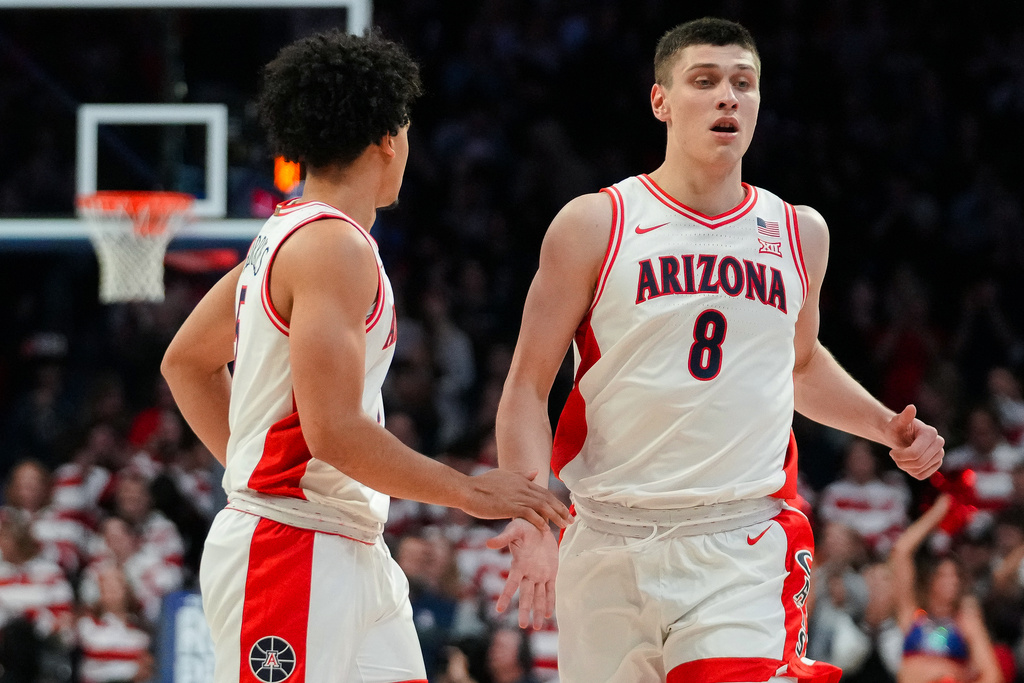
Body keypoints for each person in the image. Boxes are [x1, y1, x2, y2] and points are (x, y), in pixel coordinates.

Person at [486, 17, 946, 683]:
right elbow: (526, 388)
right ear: (661, 101)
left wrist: (885, 427)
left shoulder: (798, 231)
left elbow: (802, 361)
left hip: (741, 541)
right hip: (608, 535)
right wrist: (529, 517)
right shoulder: (595, 223)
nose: (727, 97)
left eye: (743, 83)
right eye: (705, 81)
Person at [160, 29, 571, 683]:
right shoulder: (332, 247)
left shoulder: (284, 235)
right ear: (388, 138)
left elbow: (184, 361)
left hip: (346, 545)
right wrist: (467, 489)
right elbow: (333, 431)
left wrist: (254, 467)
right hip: (290, 549)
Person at [888, 494, 1003, 683]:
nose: (951, 581)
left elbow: (992, 674)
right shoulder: (912, 615)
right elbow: (901, 551)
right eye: (943, 575)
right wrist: (936, 514)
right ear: (930, 580)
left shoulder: (966, 620)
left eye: (955, 576)